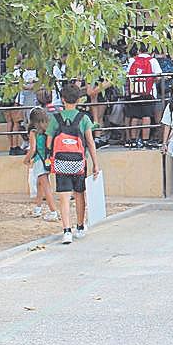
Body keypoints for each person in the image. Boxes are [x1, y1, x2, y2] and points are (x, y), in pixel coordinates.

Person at [47, 82, 101, 244]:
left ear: (62, 99)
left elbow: (49, 143)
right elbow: (90, 143)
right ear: (79, 99)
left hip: (61, 163)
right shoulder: (84, 118)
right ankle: (79, 226)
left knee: (64, 197)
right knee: (79, 194)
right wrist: (95, 164)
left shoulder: (55, 119)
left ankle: (66, 231)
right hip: (79, 163)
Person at [22, 107, 60, 222]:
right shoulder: (47, 131)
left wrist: (26, 159)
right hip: (48, 160)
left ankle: (53, 211)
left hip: (39, 161)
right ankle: (37, 209)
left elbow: (33, 149)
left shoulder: (33, 132)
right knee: (40, 184)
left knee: (45, 186)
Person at [125, 45, 161, 149]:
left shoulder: (132, 60)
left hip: (135, 91)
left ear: (139, 50)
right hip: (148, 92)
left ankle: (133, 141)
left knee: (135, 116)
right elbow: (158, 76)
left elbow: (128, 75)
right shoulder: (153, 61)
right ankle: (145, 140)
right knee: (146, 116)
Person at [6, 56, 38, 156]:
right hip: (19, 99)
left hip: (13, 99)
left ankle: (13, 146)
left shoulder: (14, 72)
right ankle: (14, 146)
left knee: (13, 122)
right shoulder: (18, 72)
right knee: (17, 123)